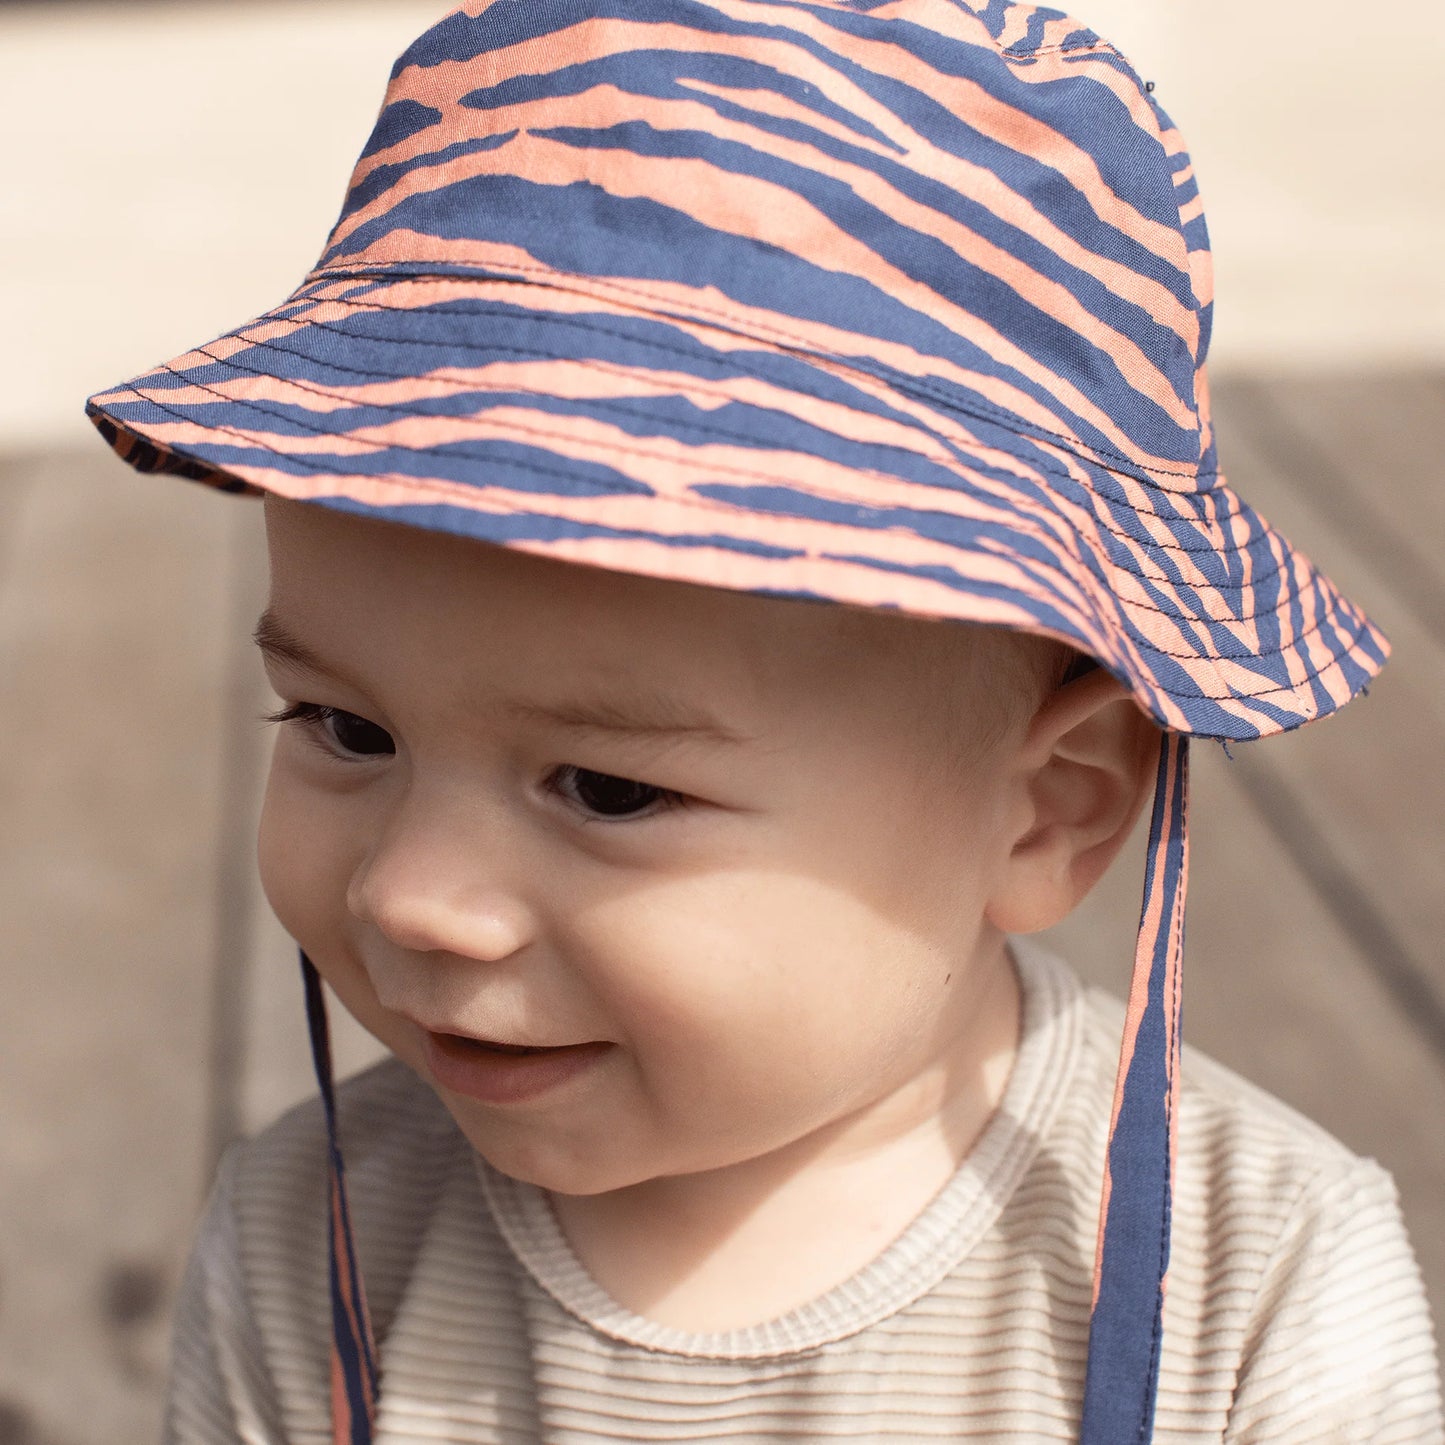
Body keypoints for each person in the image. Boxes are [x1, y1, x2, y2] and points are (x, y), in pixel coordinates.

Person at [86, 1, 1442, 1440]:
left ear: (1048, 807)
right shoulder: (320, 1248)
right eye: (347, 730)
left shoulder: (1249, 1283)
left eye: (605, 788)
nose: (414, 897)